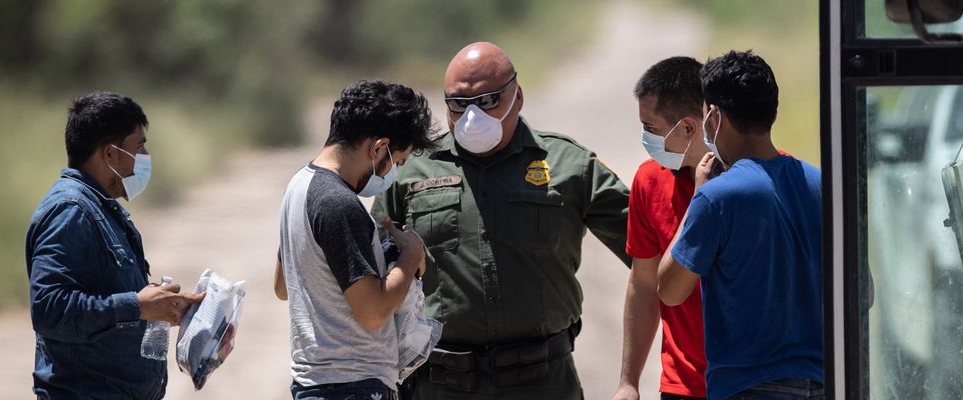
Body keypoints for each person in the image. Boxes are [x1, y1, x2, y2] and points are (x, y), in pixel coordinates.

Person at [370, 41, 631, 400]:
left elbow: (654, 255)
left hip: (542, 383)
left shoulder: (570, 165)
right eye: (459, 105)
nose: (472, 116)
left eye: (489, 101)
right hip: (440, 385)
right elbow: (368, 278)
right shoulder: (411, 171)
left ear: (517, 97)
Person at [657, 50, 824, 400]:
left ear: (714, 116)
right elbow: (862, 292)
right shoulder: (824, 185)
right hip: (822, 382)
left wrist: (698, 195)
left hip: (748, 388)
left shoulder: (717, 198)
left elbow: (670, 289)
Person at [26, 91, 205, 399]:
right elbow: (50, 309)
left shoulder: (99, 208)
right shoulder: (71, 211)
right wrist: (137, 306)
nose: (145, 159)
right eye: (140, 147)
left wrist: (160, 304)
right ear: (110, 155)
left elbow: (104, 290)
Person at [275, 80, 436, 399]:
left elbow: (282, 286)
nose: (392, 175)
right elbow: (373, 312)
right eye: (397, 162)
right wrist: (410, 255)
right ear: (378, 148)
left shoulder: (299, 186)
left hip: (319, 384)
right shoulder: (340, 204)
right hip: (353, 386)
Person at [615, 56, 710, 400]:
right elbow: (643, 284)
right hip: (681, 385)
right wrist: (628, 381)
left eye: (651, 129)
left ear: (688, 127)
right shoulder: (648, 180)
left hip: (753, 386)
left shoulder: (750, 177)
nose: (645, 139)